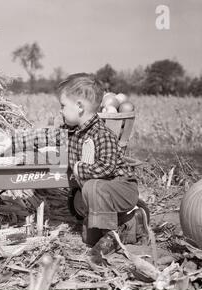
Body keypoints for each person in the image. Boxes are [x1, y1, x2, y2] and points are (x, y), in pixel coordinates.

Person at [12, 73, 149, 264]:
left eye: (63, 106)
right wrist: (12, 142)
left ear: (79, 107)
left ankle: (110, 235)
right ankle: (131, 223)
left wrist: (79, 168)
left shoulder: (102, 134)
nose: (60, 111)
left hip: (122, 188)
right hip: (101, 193)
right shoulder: (71, 133)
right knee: (88, 237)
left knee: (93, 186)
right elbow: (43, 136)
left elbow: (107, 168)